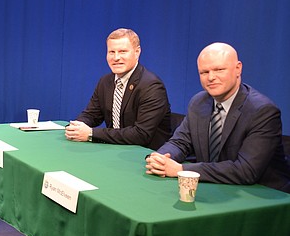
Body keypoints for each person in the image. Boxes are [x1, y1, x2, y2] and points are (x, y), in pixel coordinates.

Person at [145, 43, 290, 193]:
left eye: (219, 70)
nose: (211, 77)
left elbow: (246, 170)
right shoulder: (198, 102)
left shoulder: (262, 111)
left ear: (238, 69)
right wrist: (161, 158)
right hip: (214, 186)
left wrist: (180, 170)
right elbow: (180, 142)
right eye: (204, 72)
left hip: (262, 195)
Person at [65, 28, 172, 150]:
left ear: (137, 52)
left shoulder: (151, 86)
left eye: (122, 51)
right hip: (114, 149)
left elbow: (141, 134)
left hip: (145, 155)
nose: (116, 58)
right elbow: (91, 114)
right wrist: (77, 126)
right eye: (111, 52)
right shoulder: (105, 82)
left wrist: (91, 134)